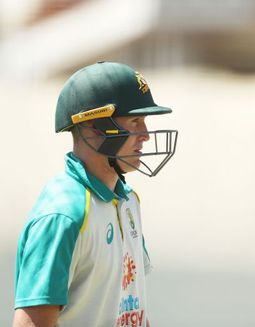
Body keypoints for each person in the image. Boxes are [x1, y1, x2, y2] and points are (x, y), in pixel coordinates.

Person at [13, 61, 178, 327]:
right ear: (93, 127)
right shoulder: (64, 214)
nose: (146, 135)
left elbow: (131, 305)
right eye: (135, 121)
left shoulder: (128, 201)